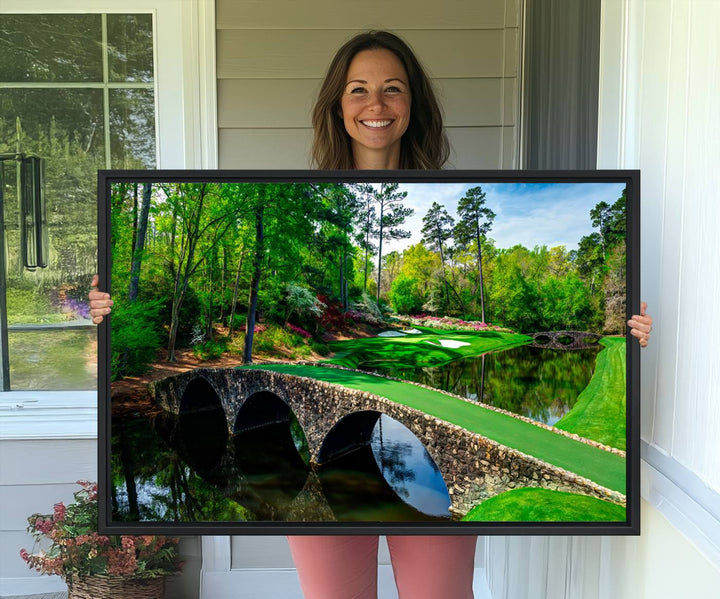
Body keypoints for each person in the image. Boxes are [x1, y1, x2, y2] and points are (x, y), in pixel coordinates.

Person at [89, 30, 653, 599]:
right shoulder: (302, 200)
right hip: (329, 481)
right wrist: (106, 315)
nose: (376, 105)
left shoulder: (453, 191)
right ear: (338, 105)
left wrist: (625, 337)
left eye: (393, 89)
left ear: (413, 105)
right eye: (358, 90)